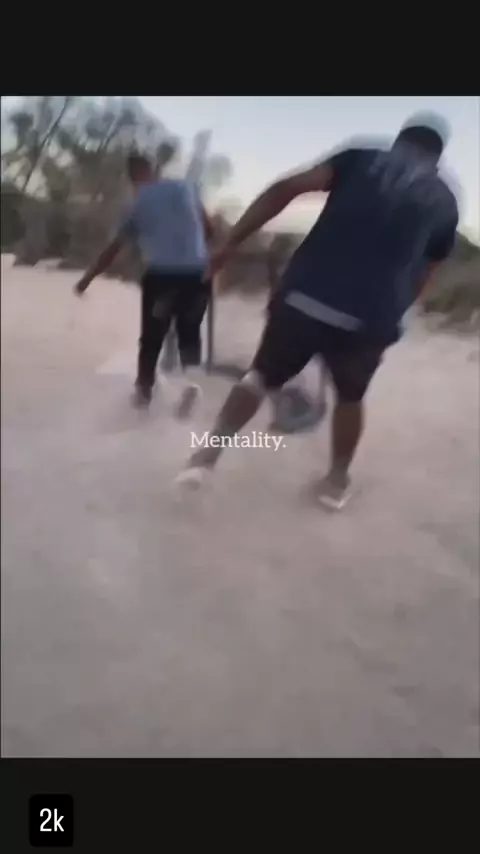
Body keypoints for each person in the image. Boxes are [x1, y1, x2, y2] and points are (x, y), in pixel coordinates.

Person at [179, 113, 459, 509]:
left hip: (304, 297)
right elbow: (426, 271)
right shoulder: (445, 201)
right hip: (370, 317)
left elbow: (287, 188)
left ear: (400, 141)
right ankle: (336, 482)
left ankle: (206, 457)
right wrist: (394, 315)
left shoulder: (362, 158)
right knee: (350, 397)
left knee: (260, 377)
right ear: (437, 157)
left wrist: (230, 242)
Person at [74, 152, 213, 415]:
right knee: (189, 333)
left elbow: (113, 249)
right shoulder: (185, 187)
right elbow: (209, 229)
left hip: (162, 278)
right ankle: (192, 384)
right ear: (154, 169)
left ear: (132, 175)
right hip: (197, 275)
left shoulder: (136, 204)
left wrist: (87, 279)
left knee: (152, 337)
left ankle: (143, 395)